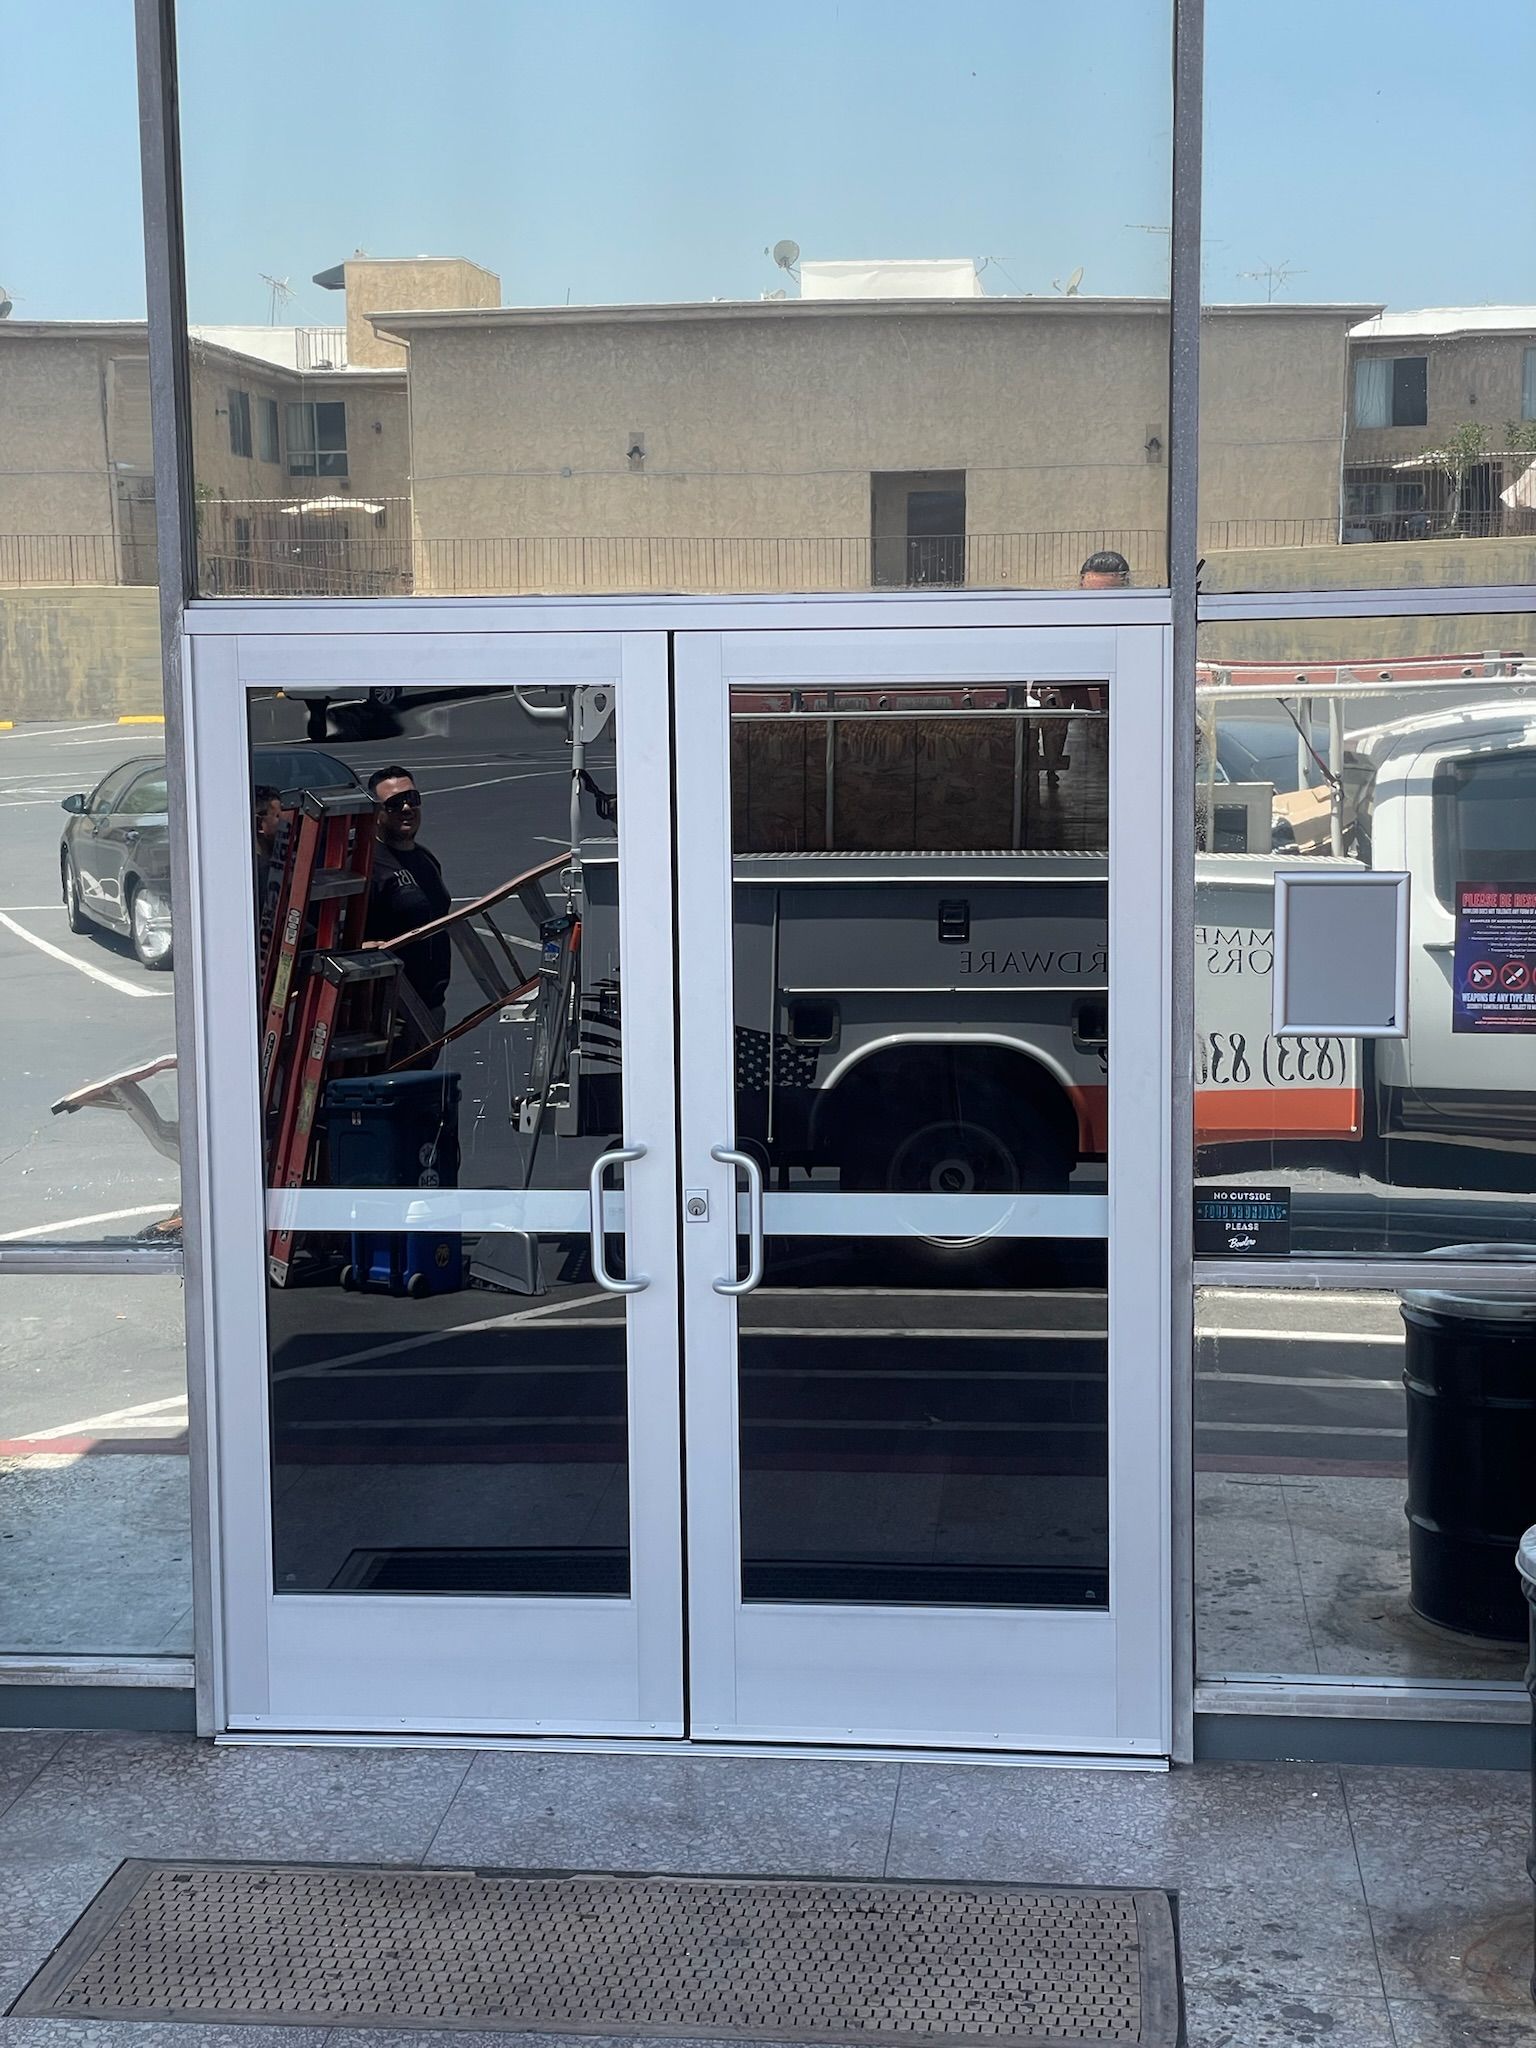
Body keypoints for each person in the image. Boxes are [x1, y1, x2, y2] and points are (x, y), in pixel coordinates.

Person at [364, 765, 453, 1059]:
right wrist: (359, 948)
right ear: (377, 813)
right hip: (392, 1011)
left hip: (431, 1005)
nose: (406, 808)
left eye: (412, 798)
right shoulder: (368, 865)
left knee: (424, 1094)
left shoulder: (426, 860)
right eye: (394, 803)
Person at [1039, 551, 1132, 777]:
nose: (1099, 603)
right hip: (1079, 719)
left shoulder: (1136, 627)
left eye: (1109, 595)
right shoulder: (1068, 627)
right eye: (1092, 595)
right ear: (1081, 588)